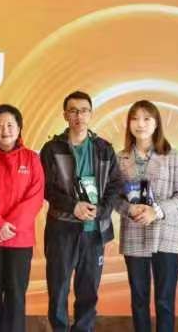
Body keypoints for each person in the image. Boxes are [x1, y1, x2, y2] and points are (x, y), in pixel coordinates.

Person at [39, 91, 120, 332]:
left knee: (88, 290)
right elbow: (45, 188)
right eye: (73, 111)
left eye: (84, 110)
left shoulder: (104, 148)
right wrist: (73, 206)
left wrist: (101, 211)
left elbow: (115, 185)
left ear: (91, 114)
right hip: (62, 230)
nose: (79, 116)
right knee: (58, 288)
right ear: (65, 115)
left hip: (94, 231)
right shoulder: (52, 149)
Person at [114, 100, 178, 332]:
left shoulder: (172, 155)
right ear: (129, 124)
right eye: (135, 118)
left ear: (156, 124)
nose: (140, 124)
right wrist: (129, 209)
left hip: (165, 235)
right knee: (139, 299)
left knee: (165, 300)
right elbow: (114, 197)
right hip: (134, 234)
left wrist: (156, 211)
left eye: (147, 119)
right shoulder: (120, 158)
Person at [0, 104, 44, 332]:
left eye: (10, 125)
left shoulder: (32, 159)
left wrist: (10, 226)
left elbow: (35, 198)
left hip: (19, 240)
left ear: (19, 128)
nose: (5, 130)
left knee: (16, 294)